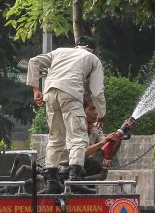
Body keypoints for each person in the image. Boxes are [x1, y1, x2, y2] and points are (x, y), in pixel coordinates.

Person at [27, 36, 106, 191]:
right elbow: (97, 92)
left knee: (56, 137)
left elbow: (33, 62)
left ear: (75, 46)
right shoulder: (92, 58)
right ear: (92, 49)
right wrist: (102, 114)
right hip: (70, 94)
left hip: (49, 93)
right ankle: (74, 176)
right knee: (78, 137)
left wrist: (36, 90)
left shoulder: (60, 51)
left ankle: (52, 179)